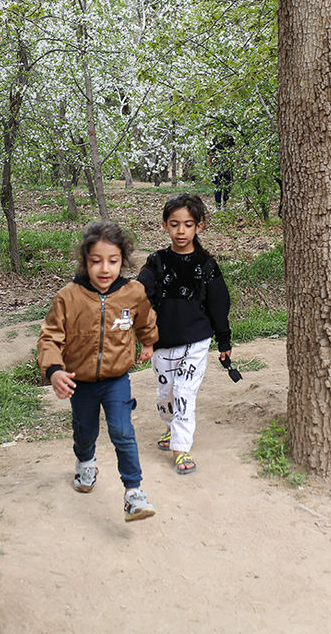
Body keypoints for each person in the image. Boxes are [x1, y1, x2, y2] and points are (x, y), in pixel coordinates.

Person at [38, 221, 159, 522]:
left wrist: (148, 342)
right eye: (96, 261)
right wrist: (54, 370)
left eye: (113, 261)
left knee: (122, 431)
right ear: (85, 262)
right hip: (81, 383)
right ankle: (85, 460)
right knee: (86, 431)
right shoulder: (69, 296)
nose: (105, 269)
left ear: (123, 261)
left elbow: (145, 319)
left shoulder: (133, 293)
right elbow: (50, 336)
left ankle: (134, 493)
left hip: (117, 378)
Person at [136, 193, 232, 476]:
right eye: (175, 224)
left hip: (197, 340)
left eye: (188, 224)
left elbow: (219, 305)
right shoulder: (157, 262)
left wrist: (223, 340)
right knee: (166, 394)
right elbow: (142, 292)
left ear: (198, 227)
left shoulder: (207, 265)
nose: (181, 231)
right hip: (162, 342)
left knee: (184, 392)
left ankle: (181, 448)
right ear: (165, 226)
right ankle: (170, 427)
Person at [209, 133, 236, 211]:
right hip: (217, 168)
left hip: (228, 167)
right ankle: (218, 206)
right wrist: (211, 168)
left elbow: (235, 152)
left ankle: (225, 204)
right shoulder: (215, 139)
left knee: (227, 187)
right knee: (217, 187)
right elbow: (210, 154)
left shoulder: (230, 138)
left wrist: (236, 164)